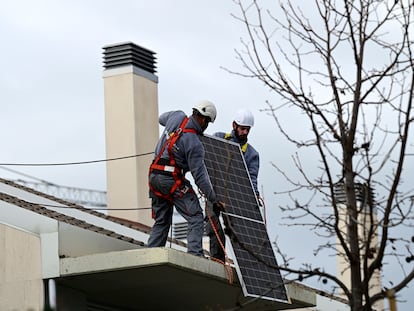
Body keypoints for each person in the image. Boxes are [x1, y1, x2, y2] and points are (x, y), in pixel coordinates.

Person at [147, 100, 223, 257]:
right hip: (171, 179)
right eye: (207, 122)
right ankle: (195, 256)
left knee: (162, 221)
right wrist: (214, 198)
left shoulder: (177, 116)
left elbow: (161, 119)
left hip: (154, 176)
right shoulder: (194, 144)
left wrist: (171, 130)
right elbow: (200, 177)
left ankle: (150, 256)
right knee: (195, 217)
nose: (206, 126)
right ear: (203, 119)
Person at [206, 108, 260, 262]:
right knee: (214, 226)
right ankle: (218, 259)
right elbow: (206, 159)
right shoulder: (218, 139)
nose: (244, 132)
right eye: (242, 128)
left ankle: (250, 264)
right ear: (234, 125)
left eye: (247, 130)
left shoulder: (251, 154)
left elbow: (252, 178)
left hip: (236, 197)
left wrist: (253, 196)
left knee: (242, 232)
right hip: (215, 192)